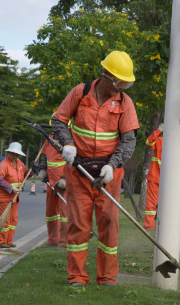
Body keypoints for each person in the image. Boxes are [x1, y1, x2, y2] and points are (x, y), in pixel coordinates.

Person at [52, 51, 140, 287]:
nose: (123, 87)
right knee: (79, 224)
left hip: (108, 175)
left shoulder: (124, 103)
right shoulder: (80, 93)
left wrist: (113, 165)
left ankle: (108, 277)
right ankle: (77, 276)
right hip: (79, 172)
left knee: (109, 224)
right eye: (121, 82)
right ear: (107, 76)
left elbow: (129, 140)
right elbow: (58, 120)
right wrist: (67, 143)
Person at [0, 142, 32, 248]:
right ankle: (1, 241)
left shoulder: (19, 163)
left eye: (17, 154)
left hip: (14, 197)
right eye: (13, 153)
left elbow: (25, 175)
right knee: (4, 220)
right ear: (8, 152)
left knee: (13, 220)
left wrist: (31, 171)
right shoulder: (3, 164)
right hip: (4, 197)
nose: (15, 156)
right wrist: (11, 188)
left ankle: (8, 241)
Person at [38, 128, 69, 249]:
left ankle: (64, 242)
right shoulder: (49, 138)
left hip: (63, 183)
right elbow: (44, 156)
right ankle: (53, 240)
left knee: (65, 214)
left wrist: (66, 178)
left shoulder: (70, 140)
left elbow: (74, 160)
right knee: (51, 213)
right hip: (51, 181)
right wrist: (43, 169)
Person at [143, 123, 164, 230]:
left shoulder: (163, 141)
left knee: (162, 203)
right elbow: (148, 142)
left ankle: (152, 225)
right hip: (156, 177)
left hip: (161, 178)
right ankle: (149, 225)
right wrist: (158, 131)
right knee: (152, 203)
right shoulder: (160, 140)